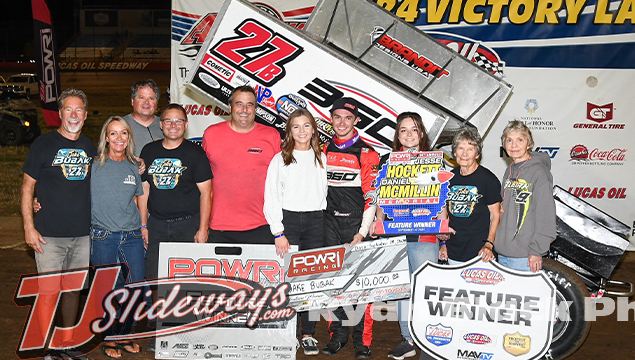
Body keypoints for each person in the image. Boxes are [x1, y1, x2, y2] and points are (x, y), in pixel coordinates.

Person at [21, 88, 95, 360]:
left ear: (85, 116)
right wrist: (29, 226)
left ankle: (68, 342)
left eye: (79, 110)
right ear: (60, 113)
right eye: (68, 109)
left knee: (73, 290)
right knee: (49, 292)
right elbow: (28, 187)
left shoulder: (89, 146)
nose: (73, 114)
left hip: (81, 234)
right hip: (48, 235)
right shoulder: (44, 144)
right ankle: (47, 347)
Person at [263, 109, 328, 356]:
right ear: (289, 131)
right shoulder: (280, 159)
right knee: (285, 279)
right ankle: (285, 330)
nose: (302, 131)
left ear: (314, 129)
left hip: (316, 221)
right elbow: (271, 196)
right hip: (288, 221)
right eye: (296, 127)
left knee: (310, 279)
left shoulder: (322, 158)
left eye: (306, 126)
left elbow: (325, 194)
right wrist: (278, 232)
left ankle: (308, 332)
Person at [322, 97, 380, 359]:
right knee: (331, 284)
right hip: (328, 225)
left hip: (357, 227)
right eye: (337, 117)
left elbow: (372, 196)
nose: (342, 122)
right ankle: (338, 335)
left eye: (348, 118)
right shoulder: (320, 150)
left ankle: (362, 343)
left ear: (356, 121)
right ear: (331, 119)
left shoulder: (367, 153)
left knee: (362, 286)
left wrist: (363, 231)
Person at [384, 112, 439, 360]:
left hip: (425, 235)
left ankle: (430, 338)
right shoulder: (389, 161)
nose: (408, 135)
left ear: (422, 134)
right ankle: (408, 339)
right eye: (403, 130)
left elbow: (443, 198)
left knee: (427, 288)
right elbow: (379, 199)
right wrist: (378, 224)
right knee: (402, 290)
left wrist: (443, 229)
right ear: (397, 134)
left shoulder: (434, 161)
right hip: (396, 236)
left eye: (414, 130)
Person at [90, 116, 144, 358]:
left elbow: (137, 199)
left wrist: (143, 227)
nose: (119, 138)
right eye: (113, 133)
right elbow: (65, 186)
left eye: (124, 133)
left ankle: (126, 334)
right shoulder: (93, 166)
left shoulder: (134, 166)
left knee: (136, 286)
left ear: (129, 137)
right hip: (104, 236)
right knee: (109, 288)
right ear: (106, 137)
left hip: (132, 236)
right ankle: (110, 337)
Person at [138, 104, 212, 280]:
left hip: (187, 226)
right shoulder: (149, 151)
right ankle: (159, 309)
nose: (173, 125)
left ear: (186, 125)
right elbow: (143, 190)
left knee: (186, 279)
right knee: (155, 277)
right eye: (168, 121)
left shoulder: (196, 153)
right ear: (161, 125)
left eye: (178, 121)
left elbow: (206, 194)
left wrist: (203, 228)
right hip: (156, 226)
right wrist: (143, 225)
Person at [202, 85, 281, 244]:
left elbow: (282, 179)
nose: (244, 109)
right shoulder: (211, 134)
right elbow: (201, 178)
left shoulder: (271, 135)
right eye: (239, 104)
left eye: (250, 104)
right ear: (230, 106)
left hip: (262, 224)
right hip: (220, 226)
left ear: (256, 109)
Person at [495, 120, 556, 272]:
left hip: (525, 256)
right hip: (503, 252)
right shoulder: (509, 170)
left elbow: (545, 214)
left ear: (529, 143)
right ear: (504, 145)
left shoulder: (539, 172)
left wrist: (537, 250)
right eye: (509, 140)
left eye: (519, 140)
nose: (513, 145)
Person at [437, 128, 501, 265]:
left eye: (470, 149)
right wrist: (443, 243)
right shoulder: (448, 179)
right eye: (460, 148)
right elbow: (444, 215)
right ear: (454, 152)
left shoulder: (488, 180)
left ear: (477, 154)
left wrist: (489, 244)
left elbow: (495, 216)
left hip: (481, 253)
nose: (464, 154)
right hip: (453, 252)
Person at [123, 79, 163, 156]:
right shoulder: (120, 125)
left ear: (157, 103)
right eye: (141, 97)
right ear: (132, 101)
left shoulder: (167, 126)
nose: (146, 102)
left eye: (151, 98)